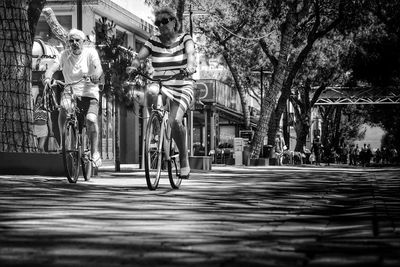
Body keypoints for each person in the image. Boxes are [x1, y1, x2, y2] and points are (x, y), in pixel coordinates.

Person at [127, 7, 197, 179]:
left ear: (174, 22)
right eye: (158, 23)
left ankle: (184, 158)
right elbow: (139, 56)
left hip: (182, 85)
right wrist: (134, 65)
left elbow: (191, 53)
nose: (161, 25)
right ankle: (157, 124)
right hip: (161, 84)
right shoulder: (153, 40)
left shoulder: (184, 38)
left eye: (165, 21)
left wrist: (190, 66)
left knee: (175, 122)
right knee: (150, 89)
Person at [43, 28, 103, 167]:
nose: (74, 43)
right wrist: (48, 77)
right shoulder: (64, 55)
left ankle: (95, 153)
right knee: (63, 108)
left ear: (83, 42)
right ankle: (64, 144)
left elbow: (98, 67)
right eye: (71, 41)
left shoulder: (90, 53)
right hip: (70, 91)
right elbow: (53, 67)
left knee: (91, 119)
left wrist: (96, 75)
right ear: (68, 43)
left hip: (89, 93)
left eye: (77, 40)